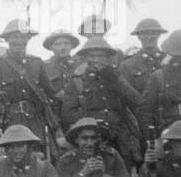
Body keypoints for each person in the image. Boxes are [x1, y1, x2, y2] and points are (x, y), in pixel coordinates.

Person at [0, 19, 60, 157]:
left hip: (35, 123)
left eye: (22, 37)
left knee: (37, 163)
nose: (18, 41)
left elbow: (51, 94)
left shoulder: (37, 63)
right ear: (7, 39)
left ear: (28, 39)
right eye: (14, 37)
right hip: (6, 123)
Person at [60, 34, 143, 168]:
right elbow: (67, 115)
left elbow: (136, 100)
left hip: (119, 138)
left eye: (101, 56)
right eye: (92, 56)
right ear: (85, 58)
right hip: (91, 138)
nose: (97, 60)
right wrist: (93, 121)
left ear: (108, 59)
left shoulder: (115, 78)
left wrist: (115, 78)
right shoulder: (77, 81)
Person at [118, 17, 167, 94]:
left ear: (159, 35)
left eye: (153, 33)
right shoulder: (127, 65)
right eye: (145, 33)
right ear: (138, 36)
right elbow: (123, 95)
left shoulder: (169, 60)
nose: (150, 37)